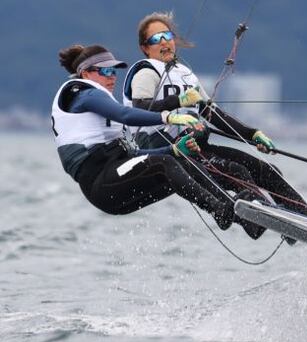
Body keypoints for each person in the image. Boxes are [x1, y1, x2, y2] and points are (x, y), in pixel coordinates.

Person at [123, 11, 307, 226]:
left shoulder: (185, 74)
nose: (165, 42)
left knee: (265, 170)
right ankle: (271, 221)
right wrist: (178, 100)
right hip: (169, 149)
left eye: (167, 35)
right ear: (145, 47)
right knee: (237, 172)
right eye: (156, 39)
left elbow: (213, 115)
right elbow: (139, 109)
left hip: (198, 145)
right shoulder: (146, 72)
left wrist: (252, 134)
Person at [52, 44, 265, 238]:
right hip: (101, 185)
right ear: (85, 73)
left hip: (117, 179)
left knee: (182, 161)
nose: (113, 76)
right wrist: (167, 116)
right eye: (106, 71)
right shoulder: (79, 92)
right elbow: (126, 115)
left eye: (114, 71)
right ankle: (220, 210)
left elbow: (134, 157)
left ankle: (238, 214)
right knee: (165, 164)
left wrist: (173, 149)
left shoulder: (99, 102)